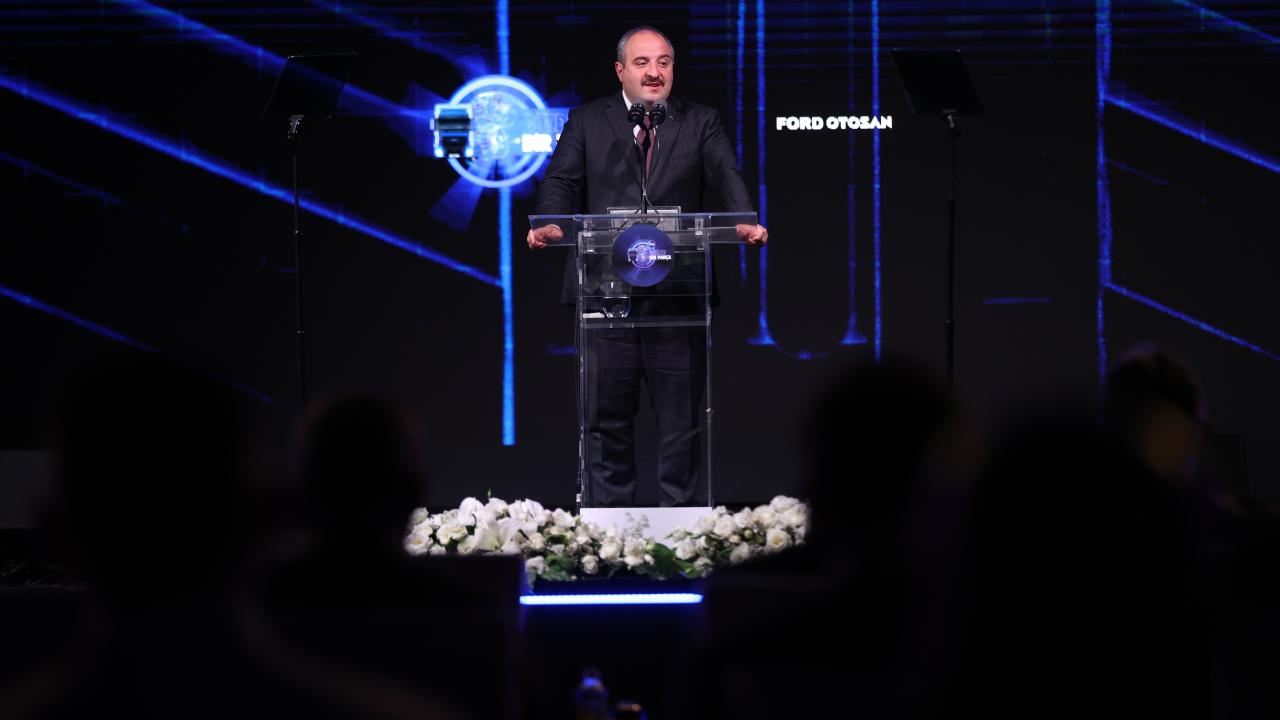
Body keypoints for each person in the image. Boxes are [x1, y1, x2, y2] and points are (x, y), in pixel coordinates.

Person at [526, 26, 767, 507]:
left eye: (663, 62)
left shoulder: (700, 121)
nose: (654, 72)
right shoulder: (587, 120)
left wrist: (743, 218)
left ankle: (679, 530)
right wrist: (552, 222)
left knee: (681, 423)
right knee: (604, 423)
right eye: (642, 63)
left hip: (678, 299)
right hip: (604, 298)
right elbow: (561, 181)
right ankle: (609, 530)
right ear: (620, 70)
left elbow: (725, 173)